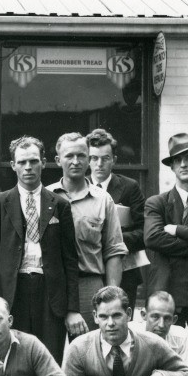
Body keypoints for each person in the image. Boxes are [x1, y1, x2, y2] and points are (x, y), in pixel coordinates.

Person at [0, 135, 81, 365]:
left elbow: (70, 260)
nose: (28, 167)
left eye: (34, 161)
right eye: (22, 162)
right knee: (14, 358)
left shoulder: (60, 204)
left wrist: (72, 308)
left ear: (44, 163)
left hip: (50, 293)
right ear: (14, 165)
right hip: (12, 292)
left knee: (49, 358)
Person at [143, 134, 188, 358]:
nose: (183, 164)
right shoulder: (157, 203)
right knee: (159, 357)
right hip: (164, 291)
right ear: (172, 167)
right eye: (177, 160)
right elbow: (153, 238)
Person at [47, 132, 127, 328]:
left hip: (89, 284)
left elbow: (114, 250)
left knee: (92, 351)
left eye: (82, 156)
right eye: (69, 156)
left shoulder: (103, 200)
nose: (76, 161)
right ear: (58, 160)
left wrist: (111, 296)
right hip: (51, 285)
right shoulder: (45, 197)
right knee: (50, 351)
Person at [87, 128, 147, 309]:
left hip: (125, 271)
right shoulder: (80, 188)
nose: (99, 164)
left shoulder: (129, 187)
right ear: (87, 160)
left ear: (114, 160)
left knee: (119, 325)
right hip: (89, 272)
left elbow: (145, 232)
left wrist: (112, 241)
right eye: (94, 158)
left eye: (105, 158)